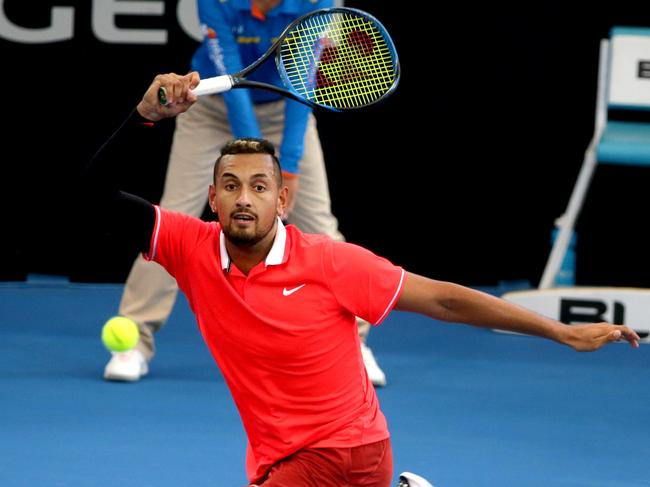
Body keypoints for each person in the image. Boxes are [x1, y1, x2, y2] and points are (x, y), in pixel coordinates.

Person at [86, 72, 640, 487]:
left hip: (348, 449)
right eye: (230, 185)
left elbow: (444, 301)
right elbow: (85, 199)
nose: (244, 198)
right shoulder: (191, 247)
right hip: (278, 454)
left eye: (259, 186)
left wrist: (561, 333)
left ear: (282, 200)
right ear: (212, 199)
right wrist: (145, 117)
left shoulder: (333, 262)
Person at [103, 0, 387, 386]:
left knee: (320, 223)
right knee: (172, 216)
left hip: (288, 108)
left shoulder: (316, 2)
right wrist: (254, 157)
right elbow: (230, 70)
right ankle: (134, 339)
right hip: (211, 110)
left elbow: (303, 80)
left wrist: (286, 164)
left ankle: (354, 343)